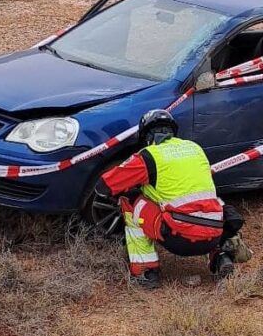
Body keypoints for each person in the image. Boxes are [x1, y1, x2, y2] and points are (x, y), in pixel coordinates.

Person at [95, 109, 243, 287]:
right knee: (206, 206)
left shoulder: (149, 156)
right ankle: (221, 257)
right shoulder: (195, 148)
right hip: (215, 232)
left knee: (130, 201)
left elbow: (104, 187)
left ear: (146, 136)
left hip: (179, 238)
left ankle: (145, 271)